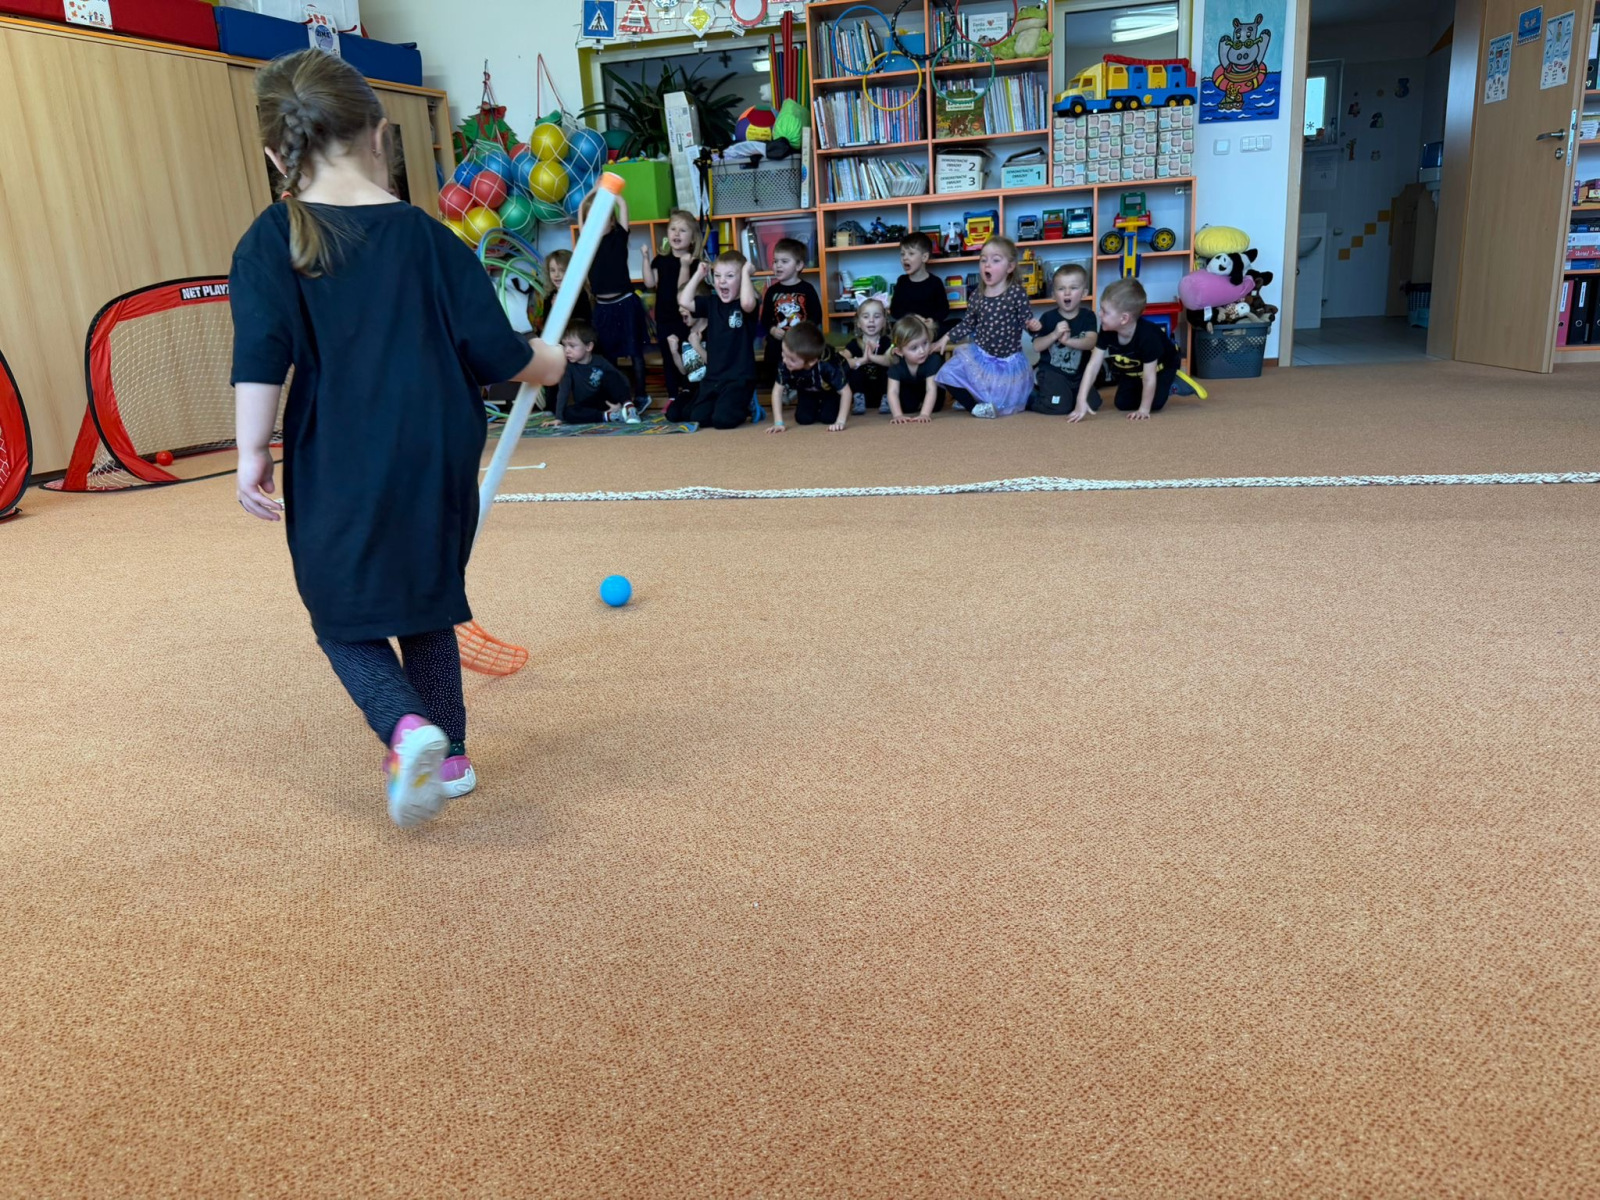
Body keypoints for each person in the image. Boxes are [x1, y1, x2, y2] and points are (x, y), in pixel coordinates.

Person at [229, 50, 564, 828]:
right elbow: (498, 353)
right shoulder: (429, 237)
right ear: (381, 136)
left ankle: (407, 728)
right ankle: (453, 760)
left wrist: (250, 453)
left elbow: (260, 356)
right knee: (426, 598)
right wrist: (547, 360)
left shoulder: (273, 237)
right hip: (436, 449)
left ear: (276, 155)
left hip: (338, 456)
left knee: (338, 614)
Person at [932, 236, 1039, 418]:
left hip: (1008, 362)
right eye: (983, 260)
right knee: (947, 372)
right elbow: (968, 323)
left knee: (1002, 398)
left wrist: (1034, 327)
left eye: (995, 260)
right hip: (981, 357)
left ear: (1010, 267)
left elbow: (1026, 321)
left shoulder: (1016, 293)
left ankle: (988, 401)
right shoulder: (977, 295)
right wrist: (946, 338)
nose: (987, 265)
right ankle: (975, 407)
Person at [579, 186, 651, 413]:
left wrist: (609, 191)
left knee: (635, 353)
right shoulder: (587, 242)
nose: (596, 223)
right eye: (592, 220)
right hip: (603, 308)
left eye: (601, 219)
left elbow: (622, 205)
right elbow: (581, 213)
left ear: (612, 222)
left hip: (625, 304)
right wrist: (590, 194)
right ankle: (618, 398)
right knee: (608, 357)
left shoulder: (619, 237)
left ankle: (641, 395)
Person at [670, 250, 759, 429]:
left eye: (730, 276)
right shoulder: (711, 302)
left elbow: (748, 303)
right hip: (714, 378)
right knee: (698, 418)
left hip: (738, 378)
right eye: (717, 276)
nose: (722, 281)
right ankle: (729, 404)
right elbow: (684, 301)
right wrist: (698, 274)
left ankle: (747, 404)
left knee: (722, 421)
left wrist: (746, 273)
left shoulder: (746, 304)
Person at [1071, 277, 1180, 422]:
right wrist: (1081, 400)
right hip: (1134, 368)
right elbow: (1093, 365)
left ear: (1124, 319)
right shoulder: (1106, 329)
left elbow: (1149, 377)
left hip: (1161, 368)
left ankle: (1172, 384)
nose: (1099, 314)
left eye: (1105, 311)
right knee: (1122, 404)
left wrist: (1143, 410)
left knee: (1155, 404)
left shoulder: (1148, 337)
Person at [639, 208, 701, 410]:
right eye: (673, 229)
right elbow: (650, 283)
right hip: (664, 318)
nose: (676, 234)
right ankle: (673, 395)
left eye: (683, 230)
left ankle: (690, 391)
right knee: (668, 356)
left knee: (686, 354)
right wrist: (646, 258)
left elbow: (682, 291)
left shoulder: (693, 262)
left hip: (684, 318)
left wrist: (684, 266)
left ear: (692, 238)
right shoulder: (661, 260)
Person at [1029, 264, 1099, 415]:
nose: (1067, 293)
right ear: (1054, 295)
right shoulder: (1048, 317)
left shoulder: (1088, 316)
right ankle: (1032, 397)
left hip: (1080, 374)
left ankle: (1066, 396)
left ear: (1084, 293)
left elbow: (1091, 342)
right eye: (1061, 289)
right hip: (1053, 373)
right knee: (1059, 407)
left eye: (1073, 288)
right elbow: (1036, 346)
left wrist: (1068, 342)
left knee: (1093, 404)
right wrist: (1054, 335)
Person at [757, 237, 822, 388]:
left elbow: (816, 316)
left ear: (799, 265)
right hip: (777, 343)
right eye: (775, 261)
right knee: (773, 365)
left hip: (801, 343)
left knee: (804, 371)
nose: (778, 265)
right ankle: (778, 390)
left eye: (784, 261)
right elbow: (765, 318)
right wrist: (772, 330)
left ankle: (800, 389)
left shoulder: (807, 289)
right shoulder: (771, 291)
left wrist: (803, 332)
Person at [768, 321, 852, 433]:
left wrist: (840, 421)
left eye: (792, 359)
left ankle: (825, 404)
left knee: (828, 418)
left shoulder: (828, 365)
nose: (785, 360)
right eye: (783, 353)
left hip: (830, 388)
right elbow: (777, 391)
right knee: (803, 419)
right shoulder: (786, 362)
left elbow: (846, 392)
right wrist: (778, 423)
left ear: (811, 361)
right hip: (806, 387)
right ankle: (813, 402)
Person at [553, 320, 638, 425]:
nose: (567, 350)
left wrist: (623, 401)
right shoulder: (568, 367)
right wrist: (558, 418)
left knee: (611, 376)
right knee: (568, 413)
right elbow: (563, 392)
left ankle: (629, 408)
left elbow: (621, 379)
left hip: (606, 400)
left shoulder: (600, 361)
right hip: (588, 405)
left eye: (572, 346)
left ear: (588, 347)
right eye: (564, 345)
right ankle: (609, 416)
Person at [885, 315, 946, 423]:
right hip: (911, 391)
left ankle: (923, 406)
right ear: (899, 351)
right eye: (914, 348)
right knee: (907, 408)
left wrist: (924, 414)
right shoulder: (896, 363)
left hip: (931, 393)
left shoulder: (933, 360)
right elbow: (893, 391)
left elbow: (931, 389)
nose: (922, 351)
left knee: (936, 407)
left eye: (925, 343)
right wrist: (898, 415)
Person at [889, 231, 950, 336]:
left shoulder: (935, 282)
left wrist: (932, 320)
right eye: (902, 254)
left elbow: (944, 310)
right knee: (891, 329)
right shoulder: (902, 281)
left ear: (924, 257)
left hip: (928, 328)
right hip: (908, 329)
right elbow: (895, 310)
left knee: (955, 323)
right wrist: (912, 318)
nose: (905, 258)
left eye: (911, 254)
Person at [841, 298, 892, 415]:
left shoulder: (886, 342)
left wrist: (872, 357)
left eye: (877, 316)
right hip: (862, 393)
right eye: (866, 317)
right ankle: (858, 400)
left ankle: (887, 399)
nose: (871, 320)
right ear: (858, 323)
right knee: (854, 370)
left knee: (890, 370)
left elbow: (890, 360)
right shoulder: (855, 343)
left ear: (884, 322)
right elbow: (843, 362)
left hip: (881, 391)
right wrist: (862, 360)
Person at [543, 248, 591, 324]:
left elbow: (583, 324)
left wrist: (560, 308)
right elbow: (546, 324)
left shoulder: (581, 295)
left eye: (562, 270)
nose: (556, 275)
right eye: (552, 270)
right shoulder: (549, 297)